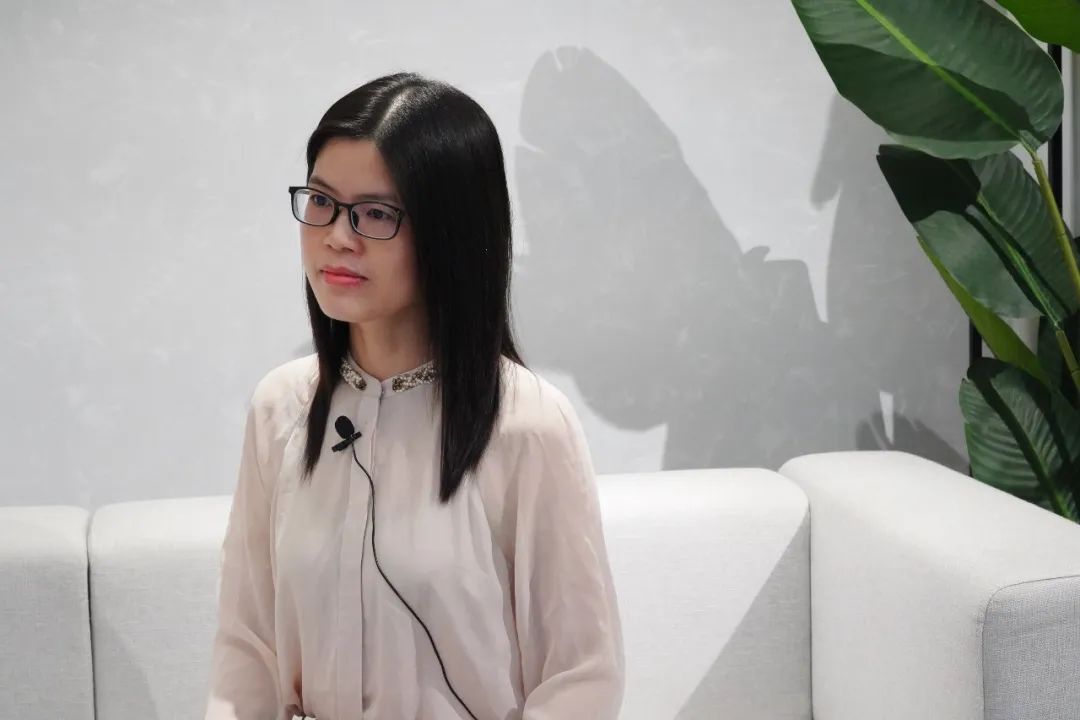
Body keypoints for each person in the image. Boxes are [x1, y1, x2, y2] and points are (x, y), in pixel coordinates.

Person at [203, 72, 625, 720]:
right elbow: (246, 651)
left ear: (448, 232)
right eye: (321, 201)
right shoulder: (281, 407)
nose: (337, 236)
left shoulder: (528, 423)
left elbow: (582, 678)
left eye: (375, 213)